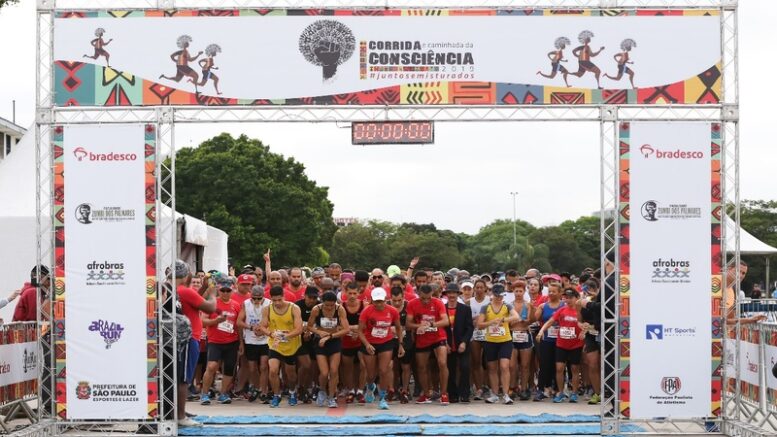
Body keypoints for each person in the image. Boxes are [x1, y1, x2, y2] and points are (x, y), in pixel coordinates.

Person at [171, 260, 216, 428]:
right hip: (189, 338)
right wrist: (212, 292)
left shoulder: (175, 290)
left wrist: (204, 288)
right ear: (186, 274)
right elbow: (210, 308)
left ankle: (179, 410)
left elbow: (194, 302)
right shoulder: (184, 290)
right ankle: (181, 416)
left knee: (181, 377)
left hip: (182, 337)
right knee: (184, 379)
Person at [358, 288, 404, 409]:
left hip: (386, 342)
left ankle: (383, 398)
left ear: (385, 300)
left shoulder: (393, 311)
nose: (379, 304)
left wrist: (400, 344)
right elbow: (360, 331)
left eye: (381, 301)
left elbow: (399, 328)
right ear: (372, 300)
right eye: (376, 301)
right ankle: (370, 386)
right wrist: (367, 344)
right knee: (371, 373)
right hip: (370, 343)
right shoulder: (366, 311)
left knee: (384, 370)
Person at [537, 289, 585, 403]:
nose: (568, 300)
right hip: (561, 344)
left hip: (576, 345)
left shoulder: (581, 311)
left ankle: (574, 393)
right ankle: (561, 392)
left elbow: (587, 324)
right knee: (559, 369)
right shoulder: (562, 310)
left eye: (570, 297)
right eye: (566, 297)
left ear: (576, 298)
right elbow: (550, 321)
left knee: (574, 369)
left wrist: (584, 331)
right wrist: (541, 331)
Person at [200, 277, 242, 405]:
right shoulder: (212, 303)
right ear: (218, 290)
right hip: (215, 341)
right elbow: (203, 321)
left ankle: (223, 393)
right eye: (222, 290)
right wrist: (216, 321)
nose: (225, 293)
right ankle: (204, 394)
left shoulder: (236, 305)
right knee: (212, 366)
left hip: (232, 341)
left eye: (227, 290)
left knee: (229, 368)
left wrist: (241, 343)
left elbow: (238, 325)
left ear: (232, 290)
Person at [260, 286, 304, 407]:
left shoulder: (293, 308)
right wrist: (270, 333)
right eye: (274, 300)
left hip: (291, 345)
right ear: (271, 299)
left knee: (290, 374)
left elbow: (299, 329)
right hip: (275, 345)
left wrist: (285, 336)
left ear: (283, 297)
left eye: (279, 300)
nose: (277, 303)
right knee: (273, 370)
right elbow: (262, 326)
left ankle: (292, 392)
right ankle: (276, 395)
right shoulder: (267, 309)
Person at [407, 284, 451, 405]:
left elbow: (446, 321)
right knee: (421, 367)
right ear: (418, 294)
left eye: (428, 298)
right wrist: (419, 326)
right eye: (423, 298)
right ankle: (426, 393)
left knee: (442, 363)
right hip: (422, 338)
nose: (426, 301)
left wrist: (431, 325)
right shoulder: (412, 303)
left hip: (438, 336)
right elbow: (408, 324)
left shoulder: (438, 302)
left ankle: (443, 393)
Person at [476, 284, 519, 404]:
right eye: (497, 295)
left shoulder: (507, 305)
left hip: (505, 340)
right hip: (490, 341)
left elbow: (516, 316)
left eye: (501, 295)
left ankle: (506, 394)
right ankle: (494, 394)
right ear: (492, 294)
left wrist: (504, 320)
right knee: (492, 368)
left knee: (505, 366)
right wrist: (491, 322)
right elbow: (479, 324)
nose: (499, 297)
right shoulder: (486, 307)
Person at [308, 291, 350, 408]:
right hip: (320, 341)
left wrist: (330, 336)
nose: (329, 307)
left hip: (334, 340)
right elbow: (309, 326)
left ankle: (331, 397)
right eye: (327, 305)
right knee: (324, 372)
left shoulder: (339, 309)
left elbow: (346, 329)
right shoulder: (317, 309)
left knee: (334, 370)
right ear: (322, 303)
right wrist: (319, 332)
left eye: (332, 305)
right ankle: (322, 390)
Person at [236, 285, 271, 403]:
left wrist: (263, 330)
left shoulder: (269, 304)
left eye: (259, 298)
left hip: (265, 340)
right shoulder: (246, 303)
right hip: (250, 340)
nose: (256, 301)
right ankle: (256, 388)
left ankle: (264, 391)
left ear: (263, 297)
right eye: (254, 298)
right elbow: (239, 322)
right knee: (252, 368)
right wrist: (251, 327)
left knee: (264, 366)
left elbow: (273, 322)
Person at [534, 278, 564, 401]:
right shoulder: (543, 306)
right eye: (549, 291)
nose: (551, 294)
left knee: (559, 366)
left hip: (561, 340)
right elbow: (535, 319)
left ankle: (558, 390)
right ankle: (541, 389)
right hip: (546, 339)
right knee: (544, 365)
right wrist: (537, 309)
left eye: (554, 291)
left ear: (560, 293)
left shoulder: (564, 305)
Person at [443, 283, 473, 403]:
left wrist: (464, 342)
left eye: (454, 293)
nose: (451, 295)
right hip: (447, 343)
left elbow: (470, 327)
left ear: (457, 294)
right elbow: (440, 328)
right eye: (449, 293)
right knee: (450, 368)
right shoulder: (442, 309)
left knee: (465, 367)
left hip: (462, 342)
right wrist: (445, 343)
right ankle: (452, 394)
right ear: (446, 295)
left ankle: (465, 393)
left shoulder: (465, 309)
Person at [340, 282, 367, 404]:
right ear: (345, 292)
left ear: (359, 293)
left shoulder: (364, 305)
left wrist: (357, 331)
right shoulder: (341, 307)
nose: (352, 296)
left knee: (363, 366)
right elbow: (339, 325)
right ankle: (351, 390)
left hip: (361, 341)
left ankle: (360, 391)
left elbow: (368, 323)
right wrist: (354, 328)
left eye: (354, 293)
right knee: (348, 368)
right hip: (346, 341)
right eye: (349, 293)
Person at [294, 286, 320, 403]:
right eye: (310, 297)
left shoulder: (320, 306)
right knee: (306, 365)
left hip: (314, 339)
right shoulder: (297, 306)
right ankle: (299, 387)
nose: (312, 300)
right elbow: (293, 324)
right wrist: (303, 332)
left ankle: (308, 387)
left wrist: (311, 331)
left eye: (315, 298)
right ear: (305, 296)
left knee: (312, 367)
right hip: (299, 339)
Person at [510, 280, 535, 401]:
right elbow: (508, 321)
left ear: (524, 292)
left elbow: (531, 320)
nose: (518, 293)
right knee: (512, 365)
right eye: (516, 291)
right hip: (512, 334)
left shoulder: (528, 305)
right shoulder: (509, 305)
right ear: (513, 292)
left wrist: (526, 321)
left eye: (521, 291)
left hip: (524, 334)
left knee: (525, 365)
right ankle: (512, 387)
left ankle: (524, 388)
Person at [579, 278, 602, 404]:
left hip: (603, 333)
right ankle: (597, 392)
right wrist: (582, 326)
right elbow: (579, 320)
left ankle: (607, 392)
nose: (586, 293)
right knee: (592, 364)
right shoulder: (582, 302)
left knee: (603, 364)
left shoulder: (602, 299)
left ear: (595, 289)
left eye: (588, 290)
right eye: (584, 290)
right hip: (590, 335)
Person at [389, 286, 413, 404]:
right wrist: (389, 328)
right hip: (389, 339)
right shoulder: (386, 306)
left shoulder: (408, 305)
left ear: (403, 297)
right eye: (394, 301)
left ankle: (404, 389)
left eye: (399, 300)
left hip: (405, 338)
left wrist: (399, 328)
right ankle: (392, 389)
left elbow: (411, 324)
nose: (397, 303)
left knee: (406, 366)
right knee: (391, 365)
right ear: (390, 299)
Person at [468, 279, 490, 400]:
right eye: (477, 287)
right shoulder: (468, 302)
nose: (479, 290)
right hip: (474, 334)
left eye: (482, 287)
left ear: (485, 289)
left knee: (488, 363)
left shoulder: (490, 301)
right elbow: (466, 319)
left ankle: (489, 387)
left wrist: (482, 319)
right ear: (474, 289)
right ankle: (479, 388)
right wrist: (474, 319)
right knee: (476, 362)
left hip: (488, 334)